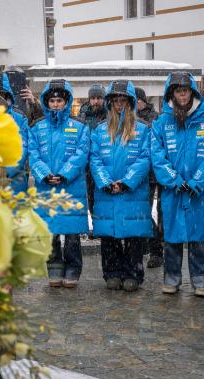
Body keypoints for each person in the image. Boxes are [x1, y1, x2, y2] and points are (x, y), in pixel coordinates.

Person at [151, 72, 204, 297]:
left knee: (199, 237)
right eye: (178, 91)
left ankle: (201, 281)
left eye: (185, 90)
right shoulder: (161, 123)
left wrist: (197, 181)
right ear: (172, 93)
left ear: (192, 92)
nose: (182, 94)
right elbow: (157, 156)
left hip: (197, 192)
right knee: (172, 237)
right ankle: (172, 279)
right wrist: (175, 180)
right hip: (173, 191)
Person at [89, 80, 151, 292]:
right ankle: (112, 273)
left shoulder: (142, 130)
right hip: (107, 192)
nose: (119, 104)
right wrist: (106, 182)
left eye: (123, 100)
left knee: (133, 235)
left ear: (130, 102)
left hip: (132, 192)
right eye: (115, 100)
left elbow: (145, 159)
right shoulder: (99, 130)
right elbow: (94, 159)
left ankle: (132, 272)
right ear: (110, 102)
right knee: (109, 235)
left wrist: (126, 182)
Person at [28, 79, 90, 288]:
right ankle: (53, 266)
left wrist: (64, 174)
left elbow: (82, 154)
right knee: (51, 232)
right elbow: (33, 154)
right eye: (52, 100)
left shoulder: (80, 127)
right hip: (47, 187)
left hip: (71, 187)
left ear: (66, 102)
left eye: (59, 100)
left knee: (72, 234)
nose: (55, 104)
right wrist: (45, 174)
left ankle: (73, 268)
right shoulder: (37, 127)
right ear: (47, 102)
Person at [135, 86, 163, 268]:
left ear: (143, 102)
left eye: (136, 100)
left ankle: (156, 250)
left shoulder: (154, 119)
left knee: (146, 211)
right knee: (139, 211)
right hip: (138, 174)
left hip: (151, 175)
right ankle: (147, 246)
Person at [0, 71, 29, 193]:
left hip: (15, 180)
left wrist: (7, 171)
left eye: (3, 97)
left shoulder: (19, 118)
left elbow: (22, 148)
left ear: (9, 98)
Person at [78, 84, 107, 222]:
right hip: (87, 162)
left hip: (104, 161)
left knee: (103, 194)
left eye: (99, 98)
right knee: (90, 195)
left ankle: (103, 224)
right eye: (93, 98)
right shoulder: (82, 114)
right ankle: (96, 223)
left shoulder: (109, 113)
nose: (96, 101)